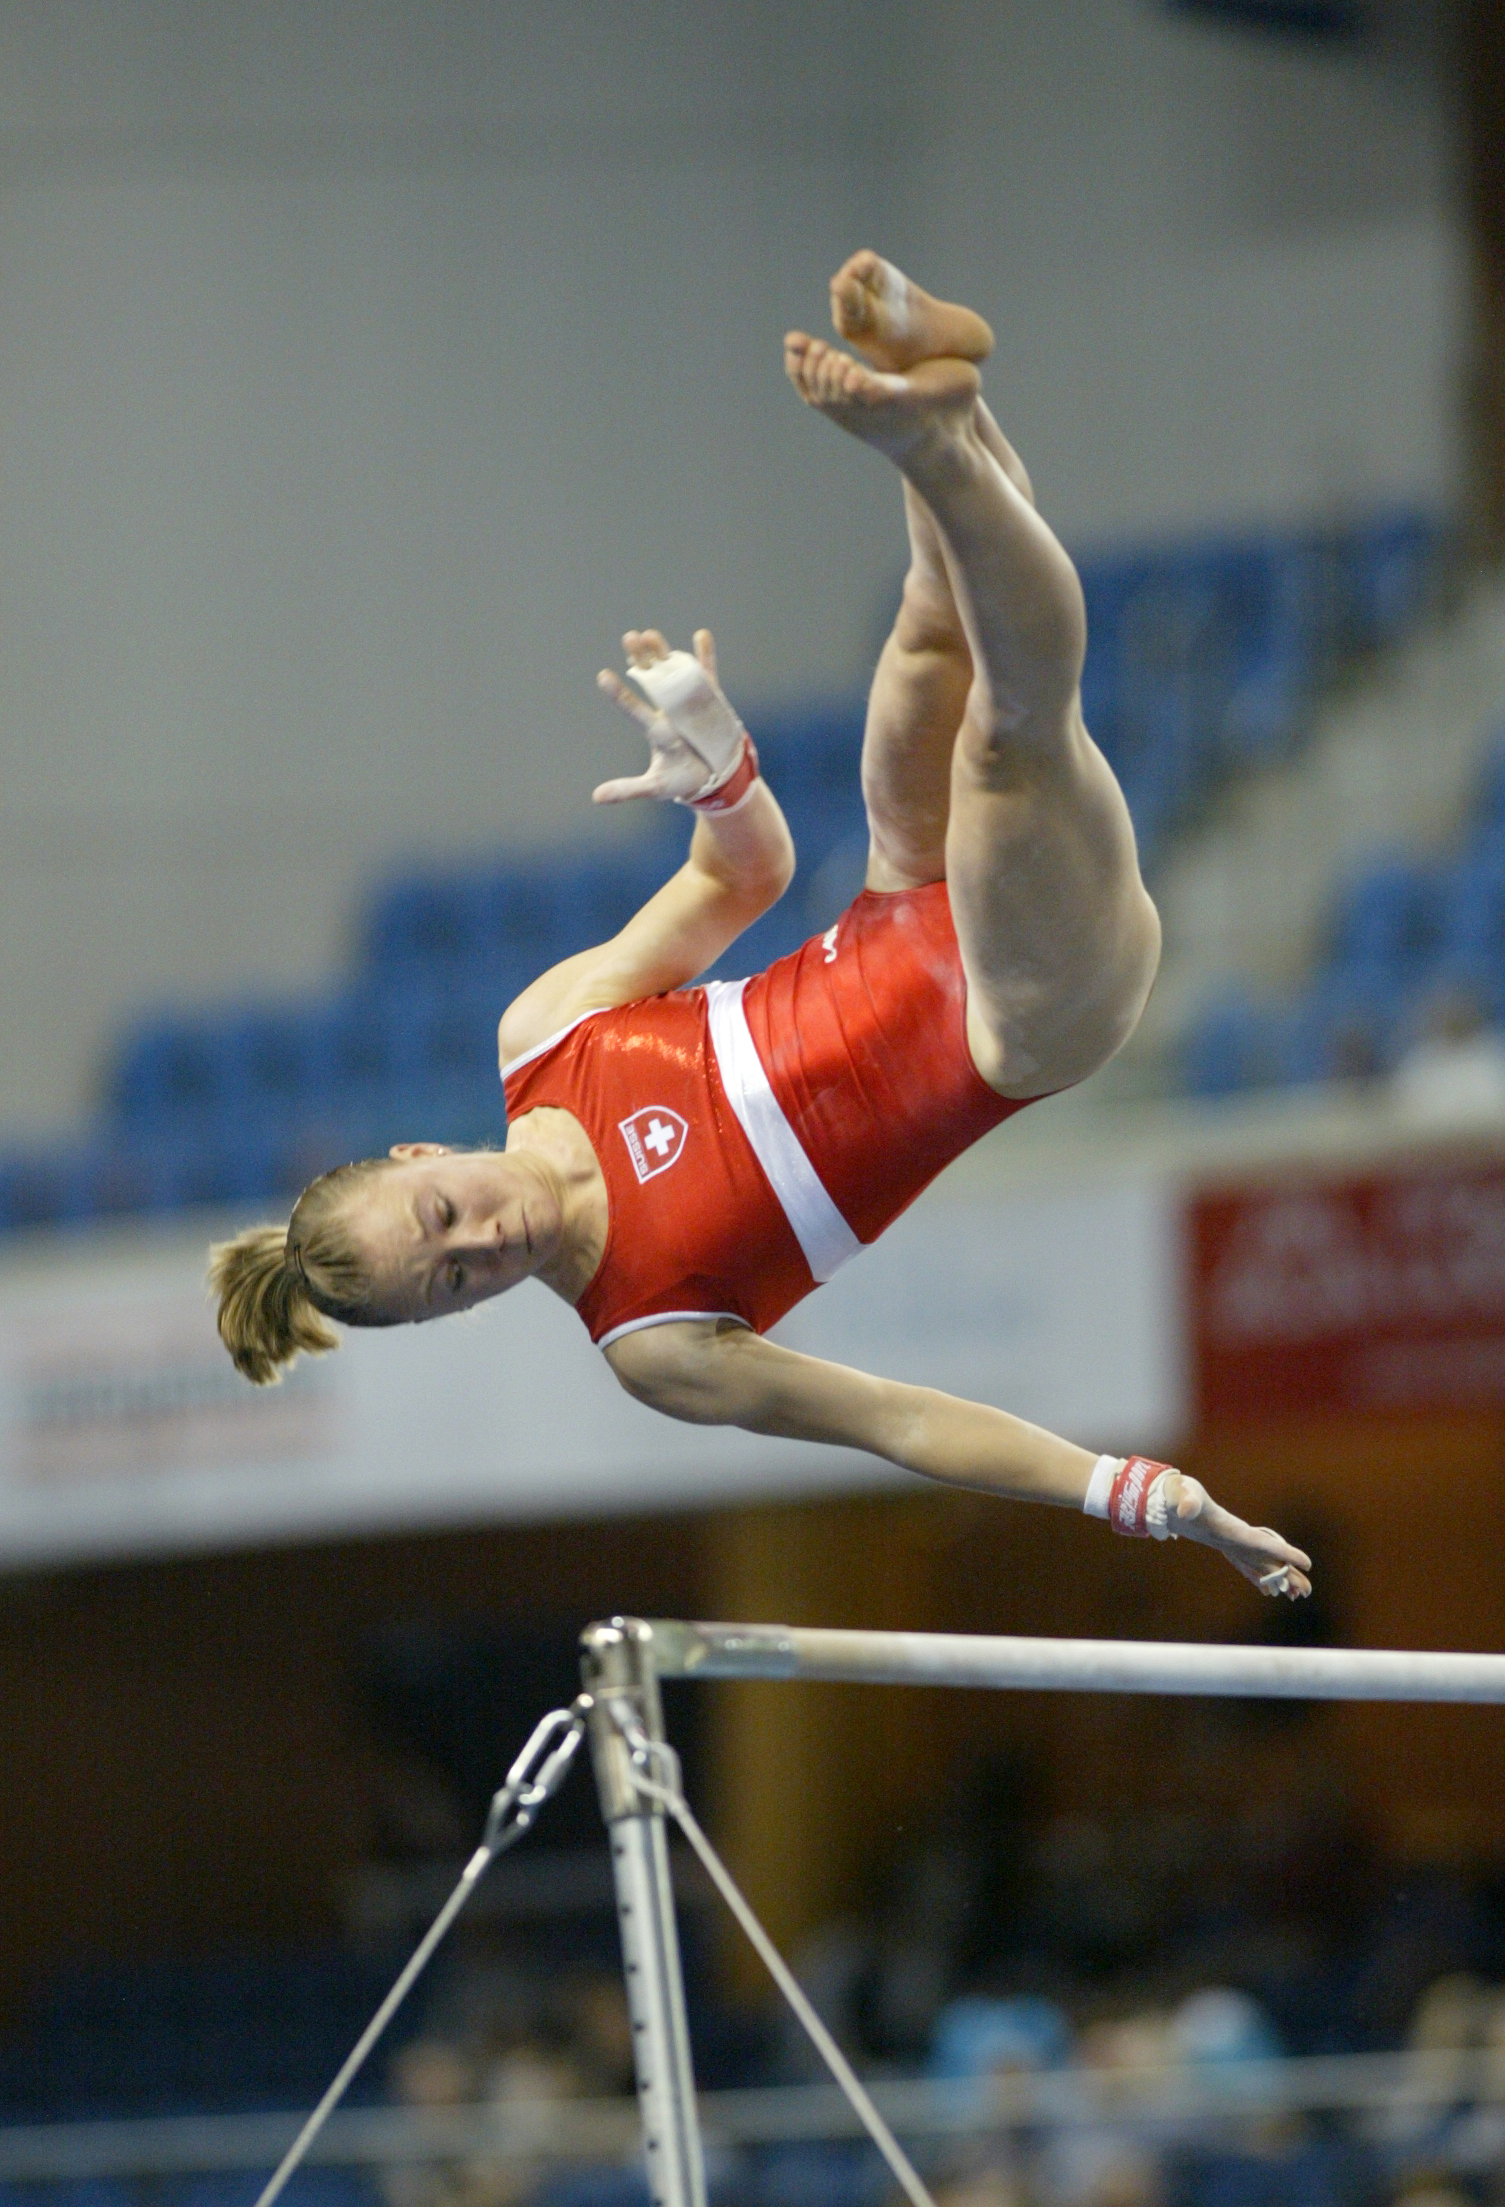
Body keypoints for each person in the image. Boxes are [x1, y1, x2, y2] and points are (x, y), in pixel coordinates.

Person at [210, 252, 1311, 1601]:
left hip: (892, 906)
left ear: (421, 1152)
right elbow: (897, 1421)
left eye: (436, 1213)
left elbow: (744, 879)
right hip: (1016, 1021)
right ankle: (927, 437)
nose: (474, 1244)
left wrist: (717, 772)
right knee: (1009, 749)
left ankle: (936, 372)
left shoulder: (545, 1036)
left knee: (924, 640)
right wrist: (1129, 1492)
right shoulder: (653, 1339)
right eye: (450, 1283)